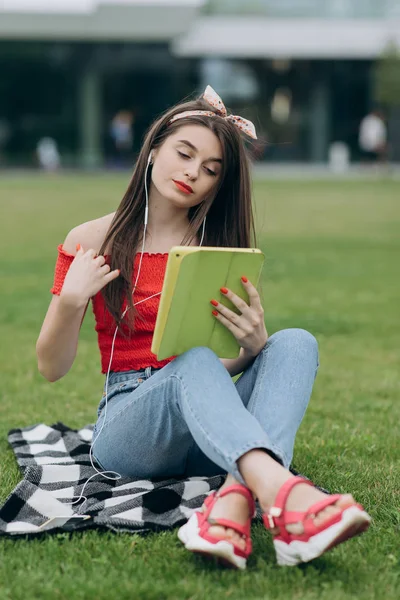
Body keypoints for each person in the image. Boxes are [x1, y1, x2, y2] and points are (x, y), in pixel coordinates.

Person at [36, 86, 370, 570]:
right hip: (129, 428)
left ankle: (234, 501)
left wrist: (252, 348)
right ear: (153, 149)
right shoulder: (91, 239)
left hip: (206, 422)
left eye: (211, 169)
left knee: (295, 342)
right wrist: (71, 300)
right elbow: (50, 368)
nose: (193, 172)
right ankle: (282, 495)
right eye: (185, 153)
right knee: (190, 360)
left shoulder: (215, 247)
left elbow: (215, 367)